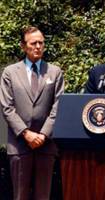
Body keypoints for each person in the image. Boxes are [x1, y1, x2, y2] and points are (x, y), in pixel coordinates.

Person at [0, 26, 64, 200]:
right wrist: (26, 134)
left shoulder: (55, 72)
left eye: (41, 43)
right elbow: (7, 107)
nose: (38, 46)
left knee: (43, 196)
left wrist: (43, 135)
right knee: (19, 196)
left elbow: (58, 106)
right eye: (33, 43)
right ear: (23, 46)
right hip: (20, 144)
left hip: (46, 144)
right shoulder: (10, 73)